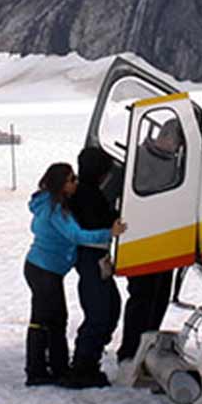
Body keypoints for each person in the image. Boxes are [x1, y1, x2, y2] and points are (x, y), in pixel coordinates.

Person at [25, 162, 125, 387]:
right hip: (44, 270)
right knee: (46, 320)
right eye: (72, 180)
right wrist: (110, 233)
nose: (75, 184)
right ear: (62, 184)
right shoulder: (55, 210)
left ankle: (54, 368)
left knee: (53, 319)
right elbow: (76, 235)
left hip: (44, 268)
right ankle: (37, 371)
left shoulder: (49, 203)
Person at [66, 146, 122, 387]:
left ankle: (89, 361)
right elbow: (95, 224)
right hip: (91, 258)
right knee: (100, 312)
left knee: (109, 307)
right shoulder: (87, 195)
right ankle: (83, 367)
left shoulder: (88, 191)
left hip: (95, 258)